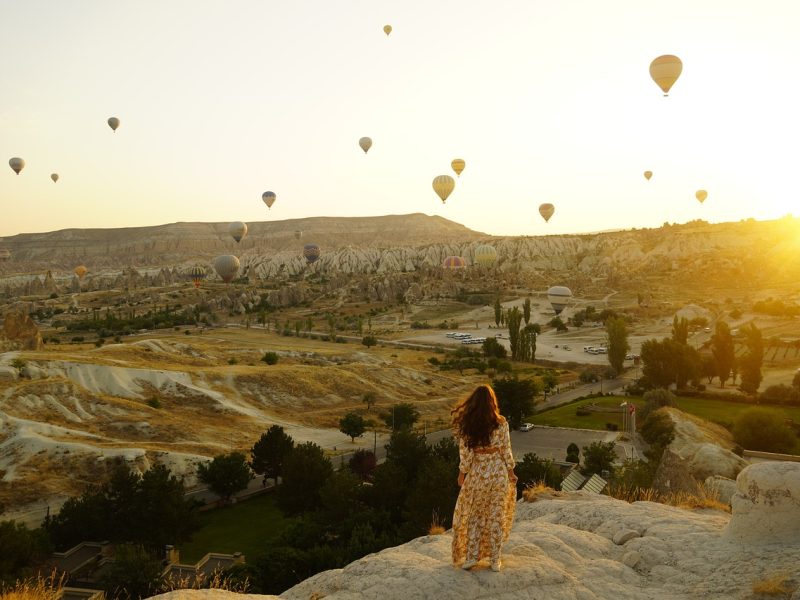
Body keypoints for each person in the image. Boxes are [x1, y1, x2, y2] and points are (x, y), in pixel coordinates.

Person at [451, 384, 517, 572]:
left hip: (478, 474)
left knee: (475, 516)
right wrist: (511, 472)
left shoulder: (468, 425)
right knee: (496, 515)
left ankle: (472, 557)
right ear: (491, 402)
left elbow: (466, 455)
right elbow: (506, 449)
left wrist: (462, 473)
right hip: (497, 473)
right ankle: (495, 560)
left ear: (472, 403)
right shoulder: (501, 422)